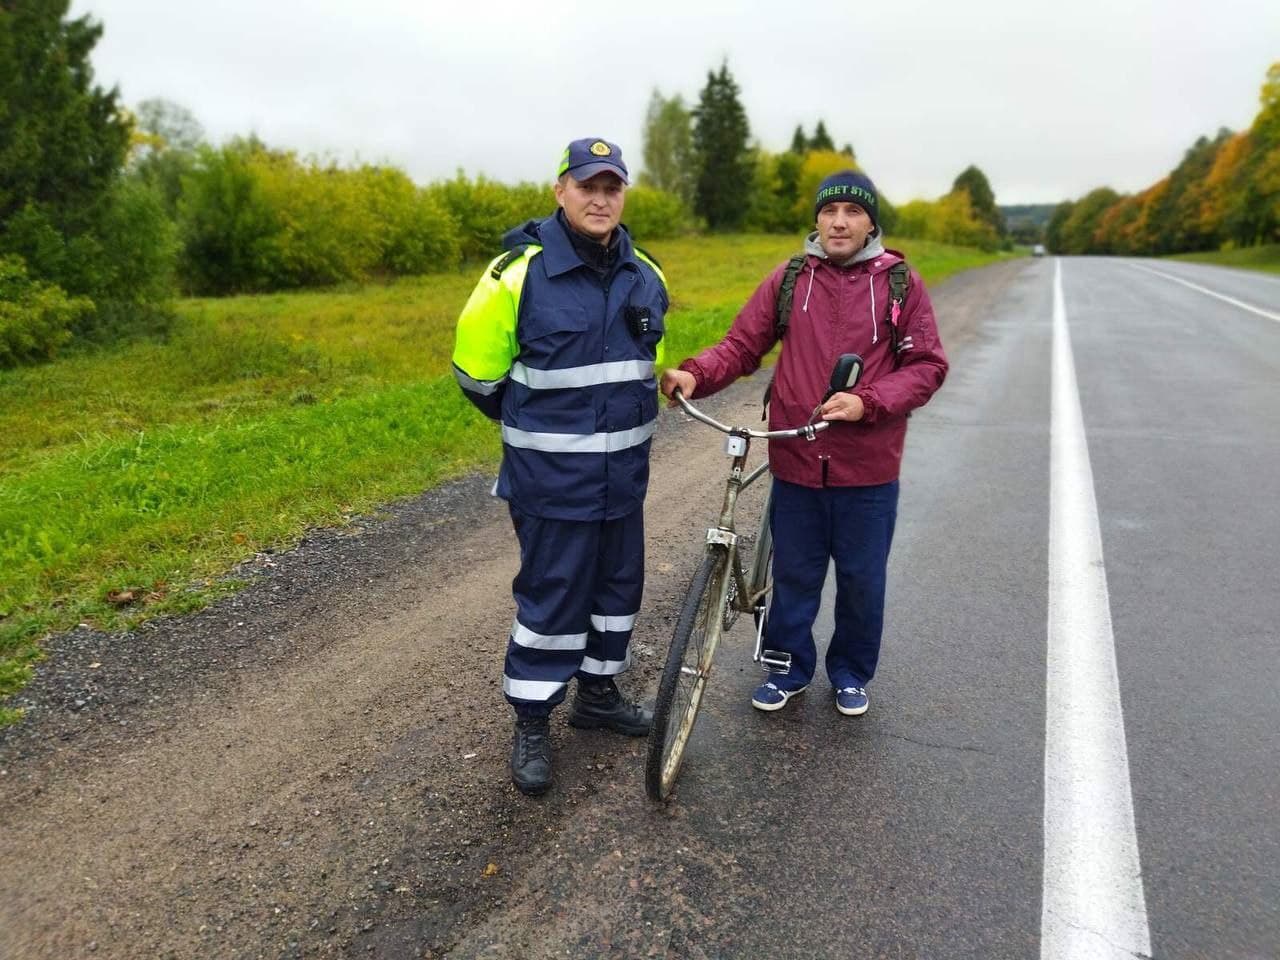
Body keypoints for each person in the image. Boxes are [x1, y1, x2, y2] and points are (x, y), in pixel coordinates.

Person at [660, 170, 947, 718]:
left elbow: (927, 366)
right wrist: (696, 374)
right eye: (830, 210)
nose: (840, 221)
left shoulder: (898, 283)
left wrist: (868, 401)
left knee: (862, 581)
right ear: (816, 219)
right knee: (794, 574)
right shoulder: (791, 278)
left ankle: (851, 672)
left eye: (853, 212)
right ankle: (788, 666)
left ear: (870, 223)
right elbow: (743, 345)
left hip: (869, 470)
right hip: (796, 460)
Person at [452, 138, 668, 795]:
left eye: (612, 187)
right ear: (561, 191)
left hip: (624, 483)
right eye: (587, 186)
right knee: (552, 602)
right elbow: (477, 376)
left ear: (623, 194)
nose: (600, 199)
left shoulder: (647, 274)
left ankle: (598, 697)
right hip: (551, 487)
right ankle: (533, 719)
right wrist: (542, 434)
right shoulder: (515, 274)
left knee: (614, 596)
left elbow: (650, 365)